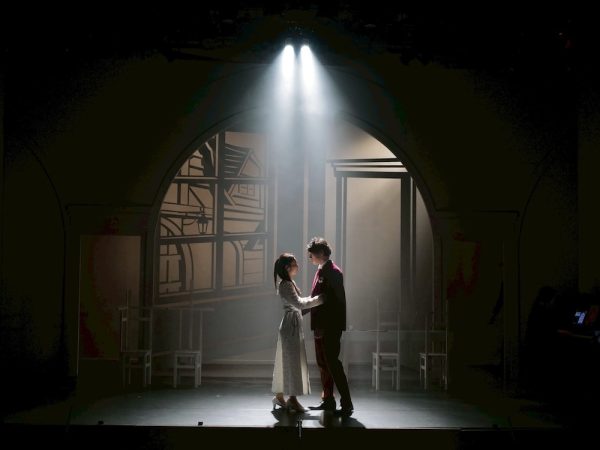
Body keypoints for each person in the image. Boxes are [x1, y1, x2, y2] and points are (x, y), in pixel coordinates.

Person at [306, 237, 354, 416]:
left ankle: (346, 402)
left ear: (320, 253)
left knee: (333, 364)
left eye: (312, 254)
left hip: (329, 327)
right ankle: (328, 400)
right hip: (321, 326)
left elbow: (334, 303)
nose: (310, 257)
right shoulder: (322, 270)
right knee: (323, 364)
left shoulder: (333, 272)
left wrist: (323, 325)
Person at [272, 253, 324, 413]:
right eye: (295, 264)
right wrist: (320, 299)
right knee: (293, 362)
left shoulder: (289, 283)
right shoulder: (286, 285)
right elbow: (299, 303)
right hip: (291, 326)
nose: (298, 266)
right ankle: (292, 399)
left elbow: (299, 302)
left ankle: (280, 396)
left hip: (291, 324)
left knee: (288, 361)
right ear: (287, 267)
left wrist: (314, 299)